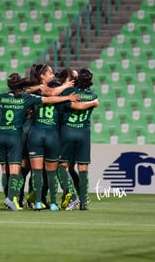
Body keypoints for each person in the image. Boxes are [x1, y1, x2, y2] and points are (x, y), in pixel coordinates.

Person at [0, 73, 80, 211]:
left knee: (7, 170)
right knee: (19, 169)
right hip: (17, 136)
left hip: (0, 135)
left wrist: (6, 105)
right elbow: (49, 99)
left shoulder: (2, 97)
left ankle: (15, 198)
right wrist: (67, 97)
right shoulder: (27, 98)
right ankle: (26, 199)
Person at [27, 66, 98, 211]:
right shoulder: (80, 93)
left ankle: (59, 197)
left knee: (52, 168)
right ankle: (79, 199)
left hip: (60, 132)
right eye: (72, 77)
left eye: (75, 77)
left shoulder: (64, 91)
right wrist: (94, 102)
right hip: (70, 133)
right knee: (72, 168)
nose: (73, 80)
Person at [57, 67, 99, 210]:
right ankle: (83, 201)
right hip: (84, 133)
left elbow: (75, 105)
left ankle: (73, 196)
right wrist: (93, 103)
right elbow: (86, 105)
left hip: (68, 130)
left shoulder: (69, 93)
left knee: (61, 166)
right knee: (83, 168)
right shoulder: (93, 96)